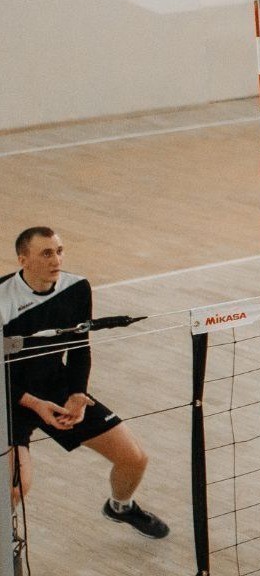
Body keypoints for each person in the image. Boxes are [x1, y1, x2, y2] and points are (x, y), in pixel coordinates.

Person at [3, 228, 169, 538]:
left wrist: (78, 393)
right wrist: (35, 404)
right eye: (47, 253)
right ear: (23, 260)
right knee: (15, 488)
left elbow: (80, 347)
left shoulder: (76, 288)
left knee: (133, 459)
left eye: (60, 251)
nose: (57, 260)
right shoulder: (2, 298)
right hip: (8, 396)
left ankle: (121, 507)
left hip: (55, 386)